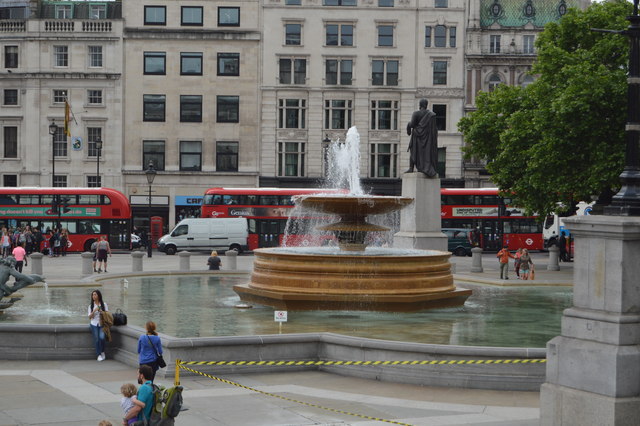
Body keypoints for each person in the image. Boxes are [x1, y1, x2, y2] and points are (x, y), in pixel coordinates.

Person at [406, 98, 438, 177]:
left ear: (420, 105)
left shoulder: (416, 113)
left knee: (413, 151)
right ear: (426, 105)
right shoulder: (432, 115)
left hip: (417, 137)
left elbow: (412, 124)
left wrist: (408, 125)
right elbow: (434, 129)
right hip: (427, 139)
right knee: (426, 152)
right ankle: (428, 166)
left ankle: (411, 168)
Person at [88, 289, 108, 361]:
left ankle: (102, 352)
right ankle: (98, 354)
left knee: (102, 338)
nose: (93, 296)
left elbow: (107, 314)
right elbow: (90, 317)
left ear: (99, 295)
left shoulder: (104, 304)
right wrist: (94, 311)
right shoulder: (91, 306)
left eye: (95, 294)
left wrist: (101, 311)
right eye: (93, 295)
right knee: (97, 339)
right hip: (94, 324)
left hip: (102, 324)